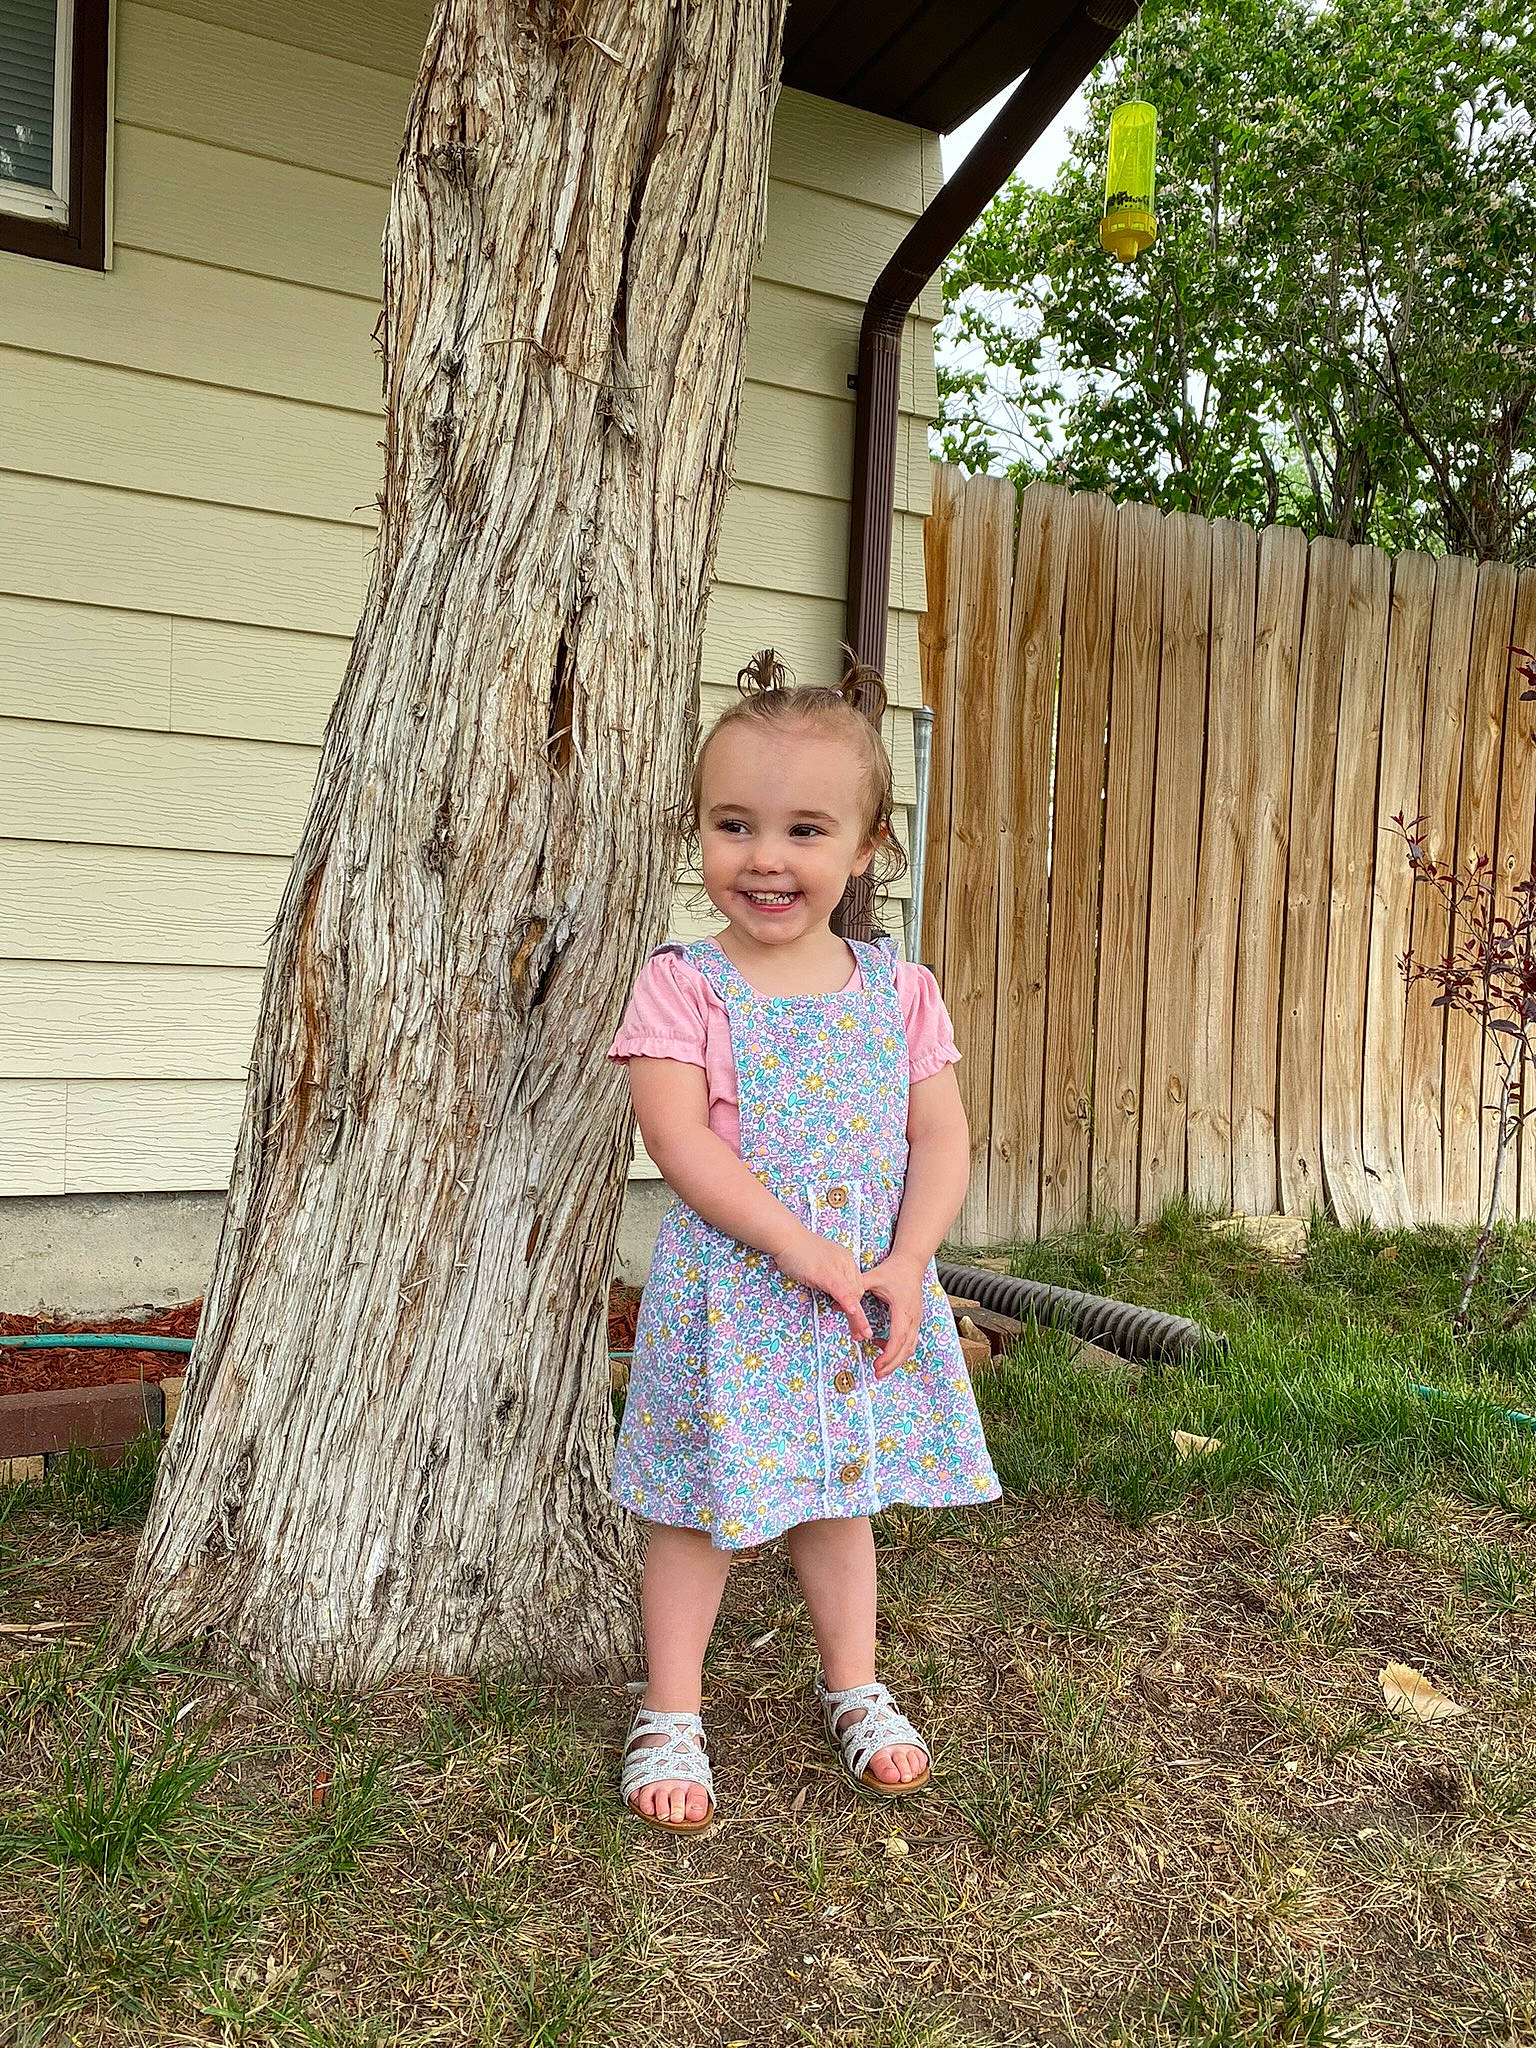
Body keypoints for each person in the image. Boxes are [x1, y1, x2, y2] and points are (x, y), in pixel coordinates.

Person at [606, 652, 1001, 1832]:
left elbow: (941, 1137)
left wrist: (907, 1261)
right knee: (700, 1502)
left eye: (804, 828)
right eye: (734, 824)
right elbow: (681, 1142)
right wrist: (803, 1250)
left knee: (843, 1492)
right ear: (701, 831)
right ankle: (670, 1706)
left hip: (864, 1292)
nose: (765, 857)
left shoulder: (900, 988)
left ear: (868, 846)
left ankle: (854, 1683)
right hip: (740, 1288)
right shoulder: (686, 985)